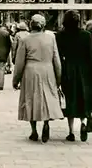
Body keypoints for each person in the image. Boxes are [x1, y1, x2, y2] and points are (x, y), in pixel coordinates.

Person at [13, 14, 64, 142]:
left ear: (31, 25)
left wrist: (16, 79)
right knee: (47, 97)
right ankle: (46, 122)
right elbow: (56, 59)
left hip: (30, 71)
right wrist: (58, 77)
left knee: (30, 98)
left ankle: (34, 130)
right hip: (48, 70)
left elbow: (19, 62)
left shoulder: (25, 39)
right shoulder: (51, 38)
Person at [55, 10, 92, 142]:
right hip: (83, 70)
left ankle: (71, 131)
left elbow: (58, 56)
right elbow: (90, 57)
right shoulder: (86, 35)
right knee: (82, 97)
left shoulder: (60, 36)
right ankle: (83, 123)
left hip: (68, 70)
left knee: (70, 99)